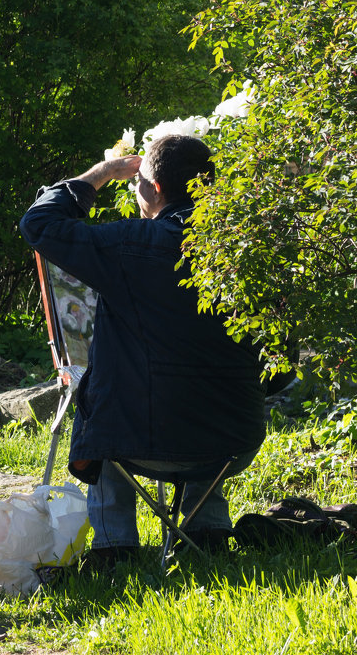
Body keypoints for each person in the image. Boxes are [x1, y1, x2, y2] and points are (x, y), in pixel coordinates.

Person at [19, 134, 265, 565]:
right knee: (197, 385)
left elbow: (39, 225)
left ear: (153, 189)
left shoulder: (130, 245)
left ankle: (116, 547)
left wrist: (102, 173)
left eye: (138, 185)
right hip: (234, 441)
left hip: (141, 440)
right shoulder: (248, 254)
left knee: (102, 394)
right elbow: (277, 372)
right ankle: (206, 534)